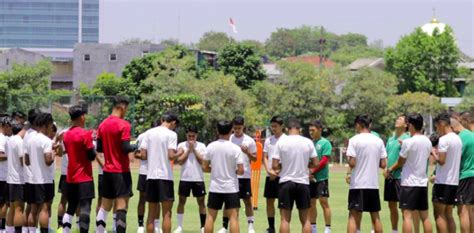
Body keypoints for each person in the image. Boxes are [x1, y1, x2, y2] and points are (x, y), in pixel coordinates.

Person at [385, 113, 433, 233]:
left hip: (409, 183)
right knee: (425, 216)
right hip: (422, 182)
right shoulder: (427, 142)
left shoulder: (408, 142)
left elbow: (401, 161)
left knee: (407, 215)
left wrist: (390, 169)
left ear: (410, 125)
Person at [95, 97, 135, 233]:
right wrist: (135, 146)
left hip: (107, 171)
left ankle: (99, 231)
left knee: (104, 206)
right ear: (122, 107)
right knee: (122, 206)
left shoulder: (102, 124)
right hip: (121, 171)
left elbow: (99, 148)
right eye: (126, 109)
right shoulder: (124, 125)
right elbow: (125, 148)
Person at [272, 119, 319, 233]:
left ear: (287, 129)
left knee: (285, 220)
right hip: (303, 182)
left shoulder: (281, 142)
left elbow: (274, 165)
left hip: (286, 182)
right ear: (300, 129)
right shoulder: (308, 142)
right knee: (306, 220)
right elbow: (316, 163)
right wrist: (305, 164)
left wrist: (284, 166)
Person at [346, 115, 387, 233]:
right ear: (370, 125)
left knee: (353, 215)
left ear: (358, 124)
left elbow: (352, 163)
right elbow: (383, 164)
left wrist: (347, 157)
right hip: (373, 184)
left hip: (358, 184)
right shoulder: (378, 141)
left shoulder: (354, 140)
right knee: (375, 216)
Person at [139, 113, 179, 233]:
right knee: (166, 213)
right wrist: (181, 153)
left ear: (162, 120)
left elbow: (143, 155)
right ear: (173, 123)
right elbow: (171, 156)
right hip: (165, 177)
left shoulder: (148, 133)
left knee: (151, 213)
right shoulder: (172, 134)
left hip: (150, 176)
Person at [202, 120, 244, 233]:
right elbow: (241, 171)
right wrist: (233, 171)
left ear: (217, 130)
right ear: (231, 131)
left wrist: (214, 169)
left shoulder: (210, 146)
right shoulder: (235, 148)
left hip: (215, 187)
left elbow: (204, 167)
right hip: (231, 188)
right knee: (234, 218)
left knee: (210, 218)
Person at [61, 106, 96, 233]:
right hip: (85, 177)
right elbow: (91, 156)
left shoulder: (66, 135)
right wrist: (94, 147)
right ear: (81, 117)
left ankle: (65, 231)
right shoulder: (85, 134)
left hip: (71, 177)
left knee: (71, 207)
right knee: (85, 208)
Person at [219, 116, 256, 233]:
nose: (237, 130)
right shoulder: (229, 139)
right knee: (229, 202)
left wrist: (247, 152)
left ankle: (250, 226)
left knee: (247, 201)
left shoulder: (249, 140)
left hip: (244, 175)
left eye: (239, 128)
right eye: (235, 128)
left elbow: (255, 159)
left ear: (243, 126)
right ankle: (225, 226)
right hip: (231, 175)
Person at [24, 113, 59, 233]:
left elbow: (27, 161)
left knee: (33, 209)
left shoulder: (29, 139)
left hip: (31, 180)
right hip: (44, 180)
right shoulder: (46, 141)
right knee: (44, 208)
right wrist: (54, 153)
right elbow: (48, 161)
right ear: (48, 124)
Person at [432, 112, 462, 233]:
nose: (437, 130)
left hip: (442, 182)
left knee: (439, 214)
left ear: (442, 124)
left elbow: (442, 161)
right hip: (453, 181)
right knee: (449, 214)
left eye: (437, 126)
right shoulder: (458, 139)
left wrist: (433, 152)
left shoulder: (444, 139)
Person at [173, 126, 207, 233]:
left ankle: (202, 226)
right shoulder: (181, 145)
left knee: (201, 202)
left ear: (197, 135)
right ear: (186, 135)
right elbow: (179, 161)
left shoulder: (202, 146)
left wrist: (194, 150)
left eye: (193, 136)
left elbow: (203, 162)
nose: (191, 138)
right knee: (181, 202)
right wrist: (188, 150)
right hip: (185, 178)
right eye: (189, 136)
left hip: (198, 178)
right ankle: (179, 226)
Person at [382, 115, 410, 233]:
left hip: (401, 177)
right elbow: (387, 156)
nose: (396, 120)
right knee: (391, 206)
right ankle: (394, 231)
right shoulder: (390, 139)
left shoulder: (407, 138)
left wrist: (391, 169)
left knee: (404, 208)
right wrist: (386, 169)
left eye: (400, 119)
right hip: (390, 176)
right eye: (396, 118)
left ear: (406, 125)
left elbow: (404, 159)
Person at [451, 112, 474, 233]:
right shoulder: (472, 135)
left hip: (465, 176)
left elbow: (456, 159)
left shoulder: (462, 137)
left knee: (463, 212)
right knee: (470, 211)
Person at [308, 120, 332, 233]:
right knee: (311, 203)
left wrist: (313, 170)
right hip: (309, 178)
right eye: (310, 130)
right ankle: (313, 228)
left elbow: (324, 161)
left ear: (320, 130)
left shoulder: (325, 143)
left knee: (323, 202)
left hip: (321, 178)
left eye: (313, 130)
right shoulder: (309, 143)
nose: (311, 132)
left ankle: (327, 228)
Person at [262, 116, 286, 233]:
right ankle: (271, 227)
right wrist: (269, 170)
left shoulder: (287, 140)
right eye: (272, 126)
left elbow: (288, 158)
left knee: (282, 203)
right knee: (269, 201)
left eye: (276, 126)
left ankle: (283, 225)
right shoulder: (268, 140)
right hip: (270, 175)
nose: (274, 128)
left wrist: (277, 172)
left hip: (283, 176)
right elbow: (265, 157)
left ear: (282, 126)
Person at [6, 120, 26, 233]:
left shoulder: (10, 140)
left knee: (13, 208)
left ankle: (8, 231)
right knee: (19, 209)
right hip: (19, 179)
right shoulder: (19, 141)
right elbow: (22, 161)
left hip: (11, 178)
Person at [0, 116, 13, 233]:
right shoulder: (2, 138)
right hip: (2, 176)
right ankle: (2, 228)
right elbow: (0, 155)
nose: (11, 129)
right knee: (3, 203)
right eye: (10, 126)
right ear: (5, 126)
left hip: (3, 175)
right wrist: (11, 157)